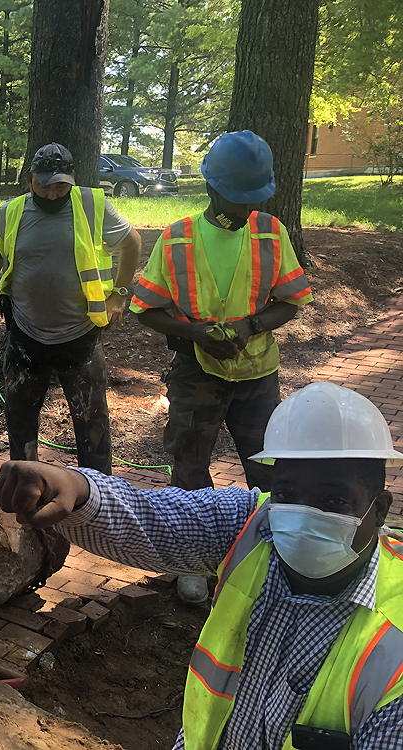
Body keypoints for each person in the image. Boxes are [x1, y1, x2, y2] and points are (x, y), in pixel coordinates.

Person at [0, 381, 403, 747]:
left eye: (333, 501)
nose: (303, 515)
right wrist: (76, 487)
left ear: (380, 509)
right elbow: (150, 518)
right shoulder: (251, 524)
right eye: (288, 493)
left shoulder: (394, 643)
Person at [129, 130, 313, 603]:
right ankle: (193, 560)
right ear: (210, 188)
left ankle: (275, 553)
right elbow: (145, 307)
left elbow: (291, 300)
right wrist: (195, 332)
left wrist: (252, 326)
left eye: (252, 199)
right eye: (235, 199)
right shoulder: (176, 239)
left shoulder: (271, 232)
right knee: (190, 464)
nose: (244, 209)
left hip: (258, 375)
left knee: (268, 467)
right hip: (197, 374)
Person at [0, 143, 142, 472]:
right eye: (44, 185)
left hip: (81, 336)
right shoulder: (10, 214)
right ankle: (27, 491)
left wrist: (120, 294)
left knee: (93, 427)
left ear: (71, 181)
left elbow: (132, 242)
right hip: (25, 337)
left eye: (61, 186)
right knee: (20, 423)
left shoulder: (92, 205)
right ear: (29, 179)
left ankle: (98, 499)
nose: (52, 194)